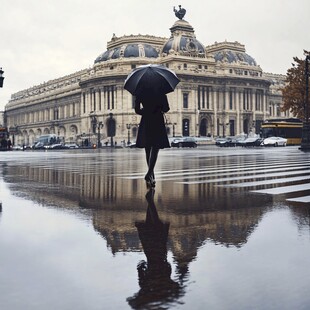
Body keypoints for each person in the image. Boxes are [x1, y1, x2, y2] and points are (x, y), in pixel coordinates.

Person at [134, 89, 170, 188]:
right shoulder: (160, 91)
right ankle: (149, 174)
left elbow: (137, 110)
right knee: (155, 148)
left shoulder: (140, 92)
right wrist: (158, 109)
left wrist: (146, 111)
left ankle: (151, 176)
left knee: (147, 149)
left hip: (146, 120)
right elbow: (166, 108)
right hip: (157, 119)